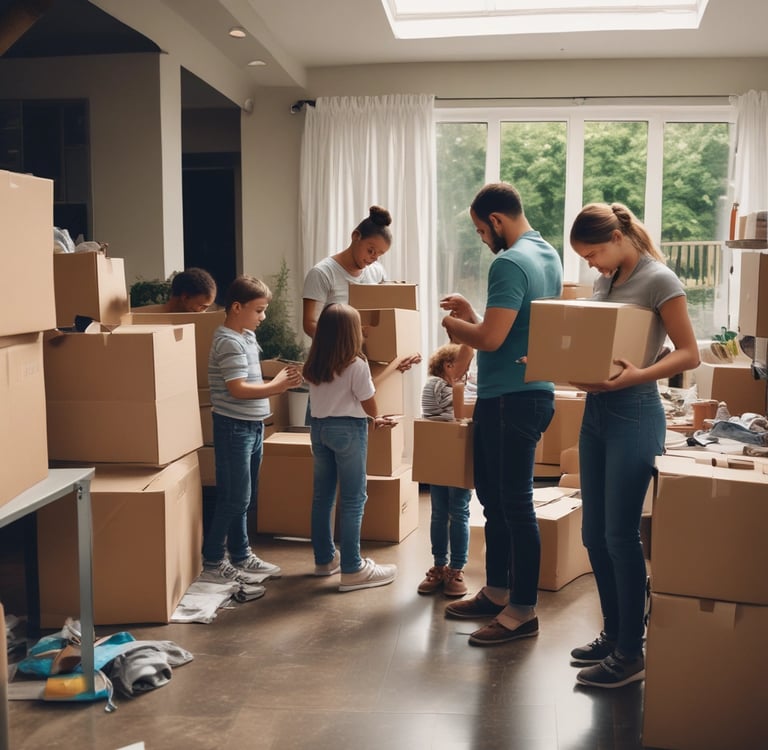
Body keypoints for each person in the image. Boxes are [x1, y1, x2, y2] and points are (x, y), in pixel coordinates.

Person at [567, 202, 699, 688]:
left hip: (636, 411)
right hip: (597, 412)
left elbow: (690, 352)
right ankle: (615, 632)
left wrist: (639, 375)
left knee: (620, 535)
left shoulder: (659, 279)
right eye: (585, 258)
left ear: (620, 236)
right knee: (593, 534)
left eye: (594, 252)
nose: (591, 264)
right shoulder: (606, 283)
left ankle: (630, 652)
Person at [439, 182, 562, 646]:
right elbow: (513, 326)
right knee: (494, 501)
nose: (481, 238)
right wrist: (474, 313)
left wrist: (453, 325)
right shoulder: (546, 254)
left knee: (513, 505)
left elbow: (489, 340)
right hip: (524, 394)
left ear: (496, 220)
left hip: (511, 397)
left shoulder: (508, 261)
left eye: (479, 229)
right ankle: (496, 591)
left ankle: (522, 611)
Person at [201, 275, 304, 592]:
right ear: (236, 307)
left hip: (252, 427)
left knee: (244, 498)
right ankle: (214, 562)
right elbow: (238, 388)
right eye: (258, 310)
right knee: (234, 498)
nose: (263, 317)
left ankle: (242, 555)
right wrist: (277, 387)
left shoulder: (244, 337)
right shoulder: (228, 341)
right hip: (234, 428)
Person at [303, 303, 398, 592]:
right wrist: (376, 417)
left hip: (319, 430)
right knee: (354, 499)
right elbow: (367, 399)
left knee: (323, 497)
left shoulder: (315, 361)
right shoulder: (356, 364)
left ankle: (324, 560)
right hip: (348, 431)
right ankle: (353, 568)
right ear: (350, 333)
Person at [302, 205, 421, 371]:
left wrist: (400, 354)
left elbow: (386, 319)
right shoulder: (322, 273)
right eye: (371, 250)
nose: (373, 258)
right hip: (332, 367)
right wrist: (345, 345)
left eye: (379, 255)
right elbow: (310, 323)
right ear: (355, 236)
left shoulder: (377, 272)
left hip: (367, 366)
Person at [417, 342, 474, 598]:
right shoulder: (437, 385)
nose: (467, 373)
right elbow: (458, 405)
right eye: (464, 368)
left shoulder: (445, 385)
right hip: (446, 446)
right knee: (441, 510)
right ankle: (441, 564)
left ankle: (456, 567)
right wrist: (465, 387)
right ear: (449, 366)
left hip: (450, 447)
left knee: (457, 510)